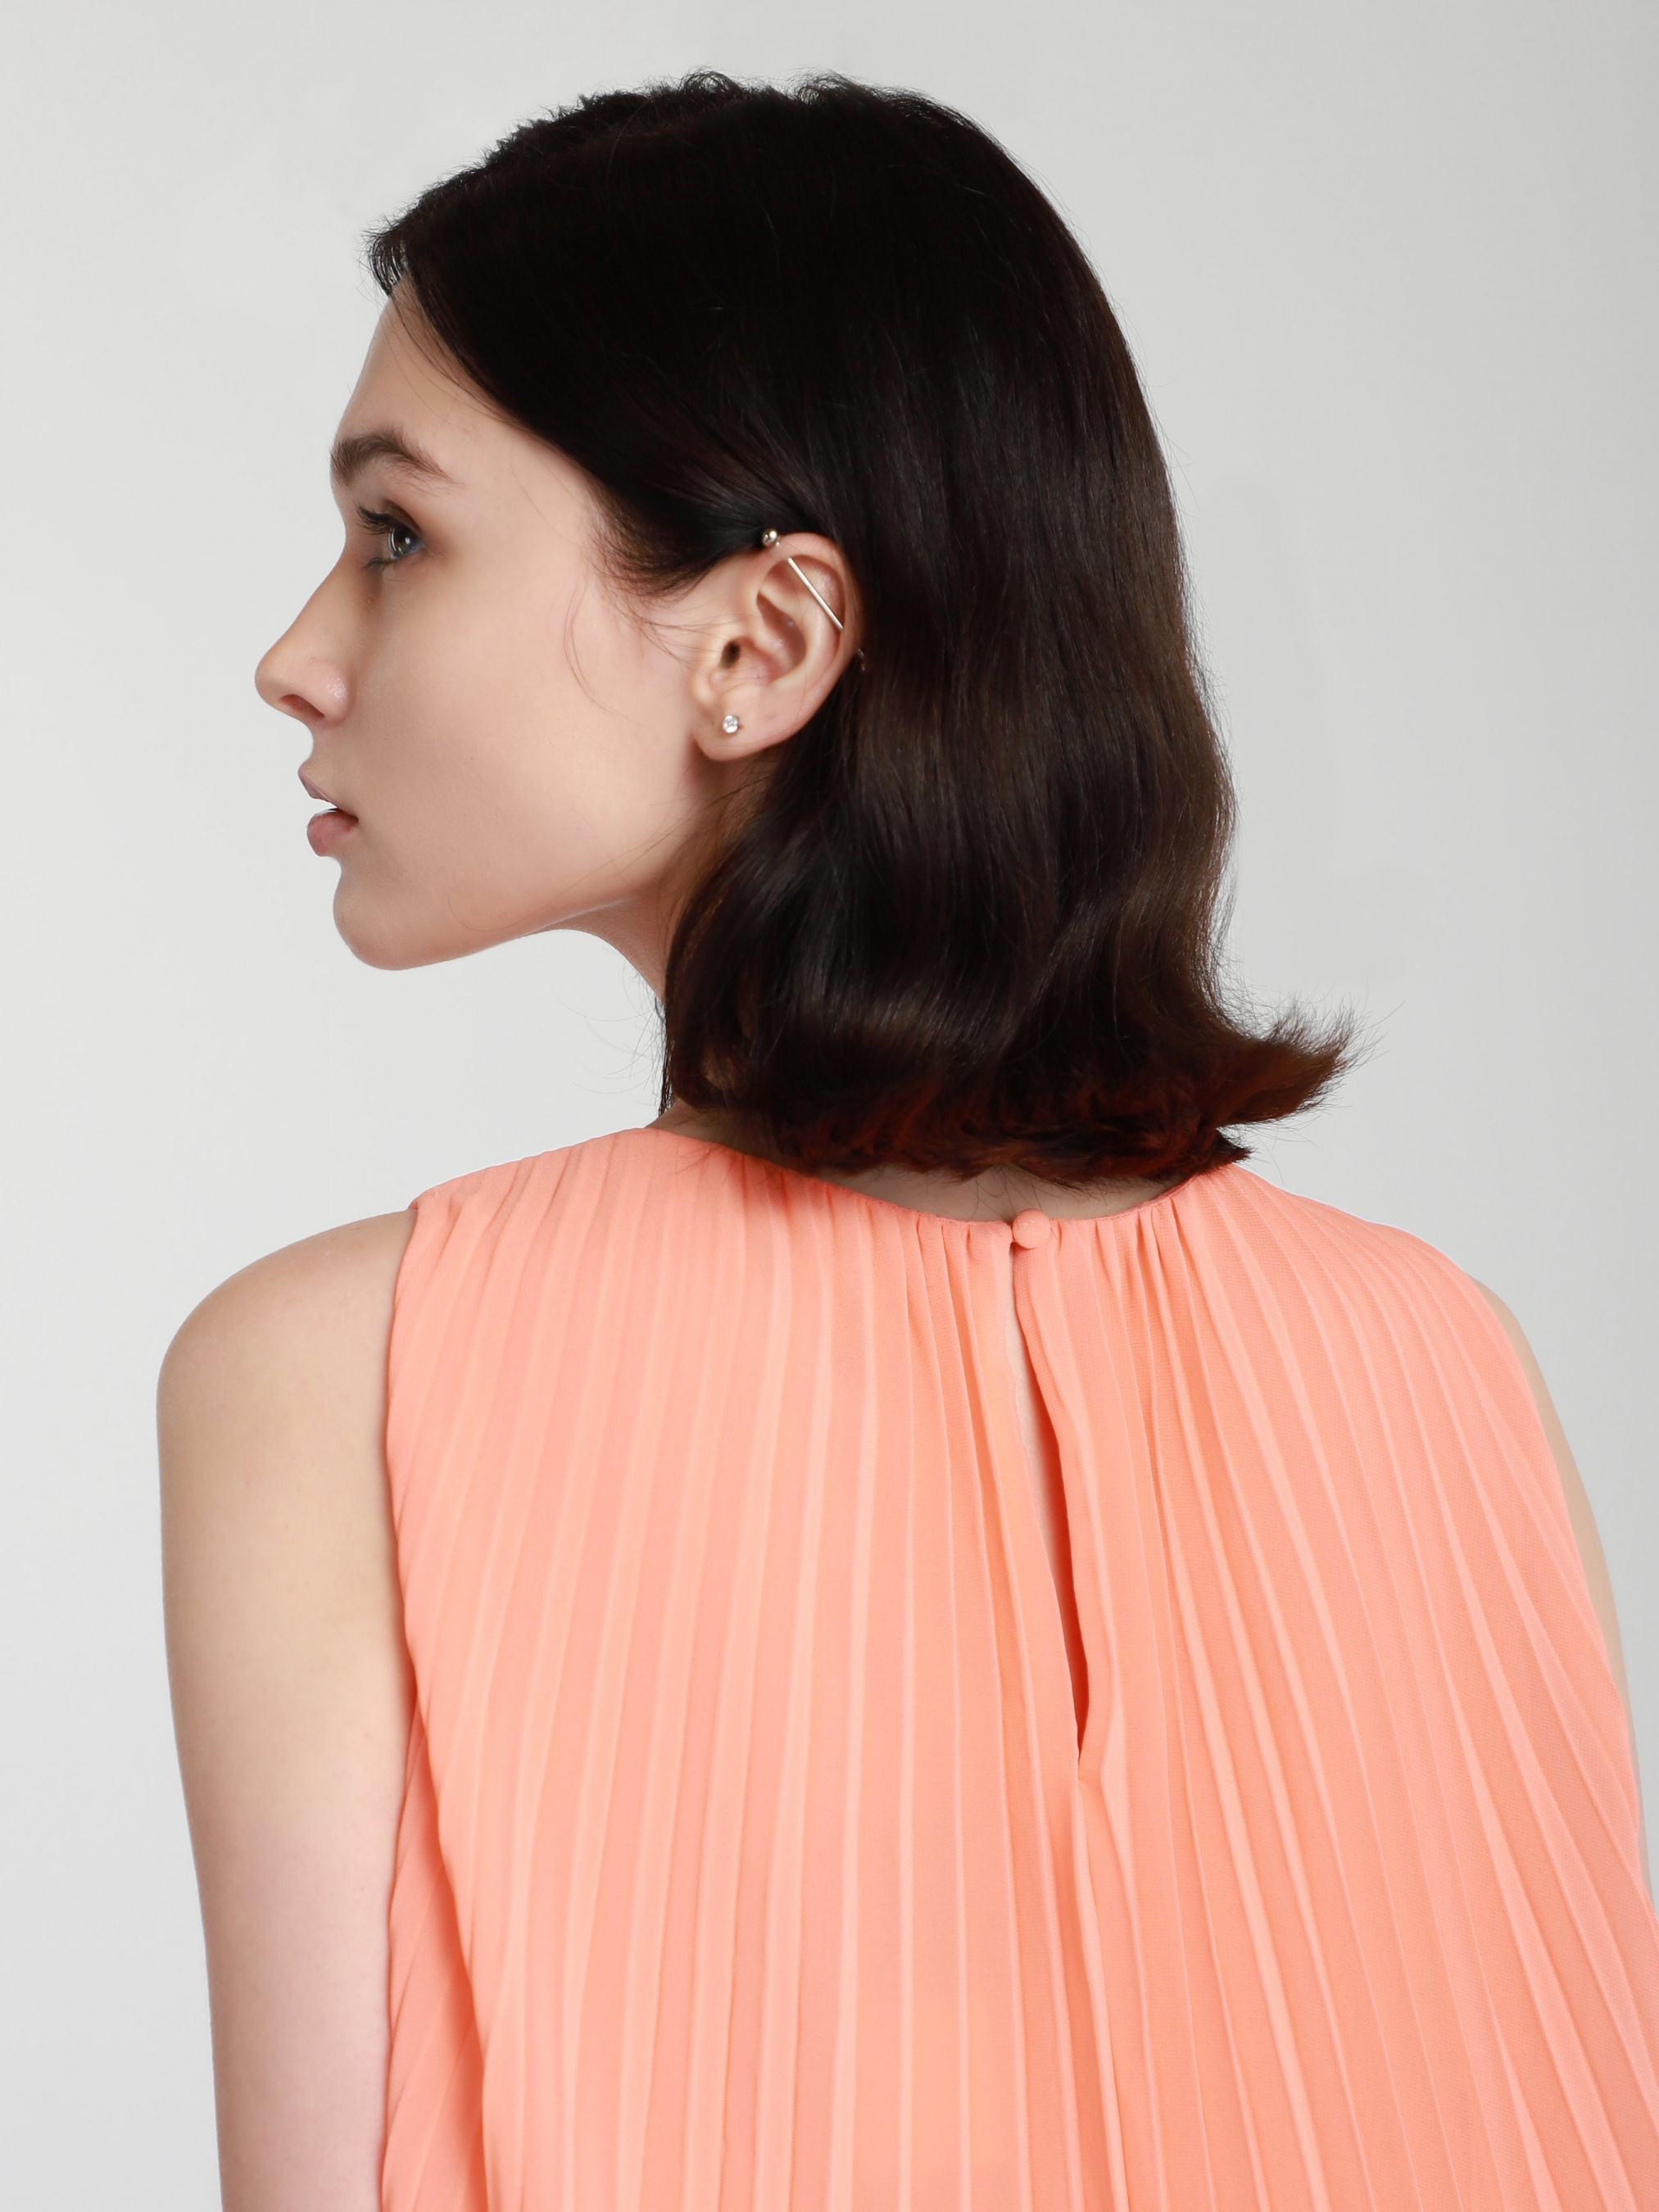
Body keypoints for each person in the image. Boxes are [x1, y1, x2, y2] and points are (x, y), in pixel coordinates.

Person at [156, 71, 1659, 2212]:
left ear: (762, 641)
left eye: (399, 534)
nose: (296, 657)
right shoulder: (1447, 1368)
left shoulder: (341, 1377)